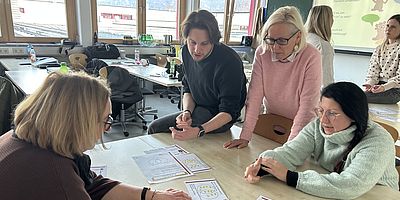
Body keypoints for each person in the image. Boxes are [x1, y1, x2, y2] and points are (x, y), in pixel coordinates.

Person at [0, 72, 191, 200]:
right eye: (105, 119)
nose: (107, 129)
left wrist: (153, 196)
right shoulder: (55, 176)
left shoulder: (28, 138)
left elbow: (91, 183)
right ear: (78, 121)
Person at [244, 82, 399, 199]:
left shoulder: (378, 141)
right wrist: (262, 165)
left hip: (376, 194)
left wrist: (290, 176)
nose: (323, 120)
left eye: (332, 113)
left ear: (353, 115)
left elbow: (351, 184)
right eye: (321, 110)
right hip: (335, 191)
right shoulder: (317, 126)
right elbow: (290, 152)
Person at [224, 6, 321, 148]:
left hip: (302, 129)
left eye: (282, 41)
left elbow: (307, 108)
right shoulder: (263, 53)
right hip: (272, 120)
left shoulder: (311, 56)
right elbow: (255, 97)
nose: (274, 47)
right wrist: (245, 136)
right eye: (270, 39)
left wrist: (289, 149)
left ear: (298, 37)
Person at [148, 10, 247, 140]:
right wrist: (186, 112)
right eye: (192, 42)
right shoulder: (185, 52)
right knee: (154, 128)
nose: (197, 50)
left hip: (220, 116)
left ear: (213, 41)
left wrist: (199, 130)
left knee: (181, 136)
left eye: (204, 43)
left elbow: (229, 112)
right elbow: (188, 89)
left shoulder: (229, 61)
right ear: (186, 39)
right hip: (199, 109)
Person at [363, 14, 400, 104]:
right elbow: (373, 70)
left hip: (394, 90)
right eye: (387, 25)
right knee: (355, 94)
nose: (388, 29)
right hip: (377, 86)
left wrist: (384, 87)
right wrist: (370, 84)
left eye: (393, 27)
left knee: (357, 97)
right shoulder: (379, 48)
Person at [305, 5, 335, 88]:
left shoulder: (302, 39)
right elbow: (326, 82)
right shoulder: (323, 46)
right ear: (327, 21)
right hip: (315, 96)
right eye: (332, 17)